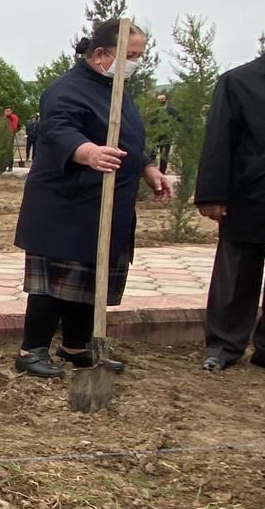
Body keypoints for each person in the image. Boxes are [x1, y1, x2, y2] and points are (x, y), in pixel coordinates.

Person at [13, 19, 172, 378]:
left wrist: (147, 168)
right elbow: (58, 129)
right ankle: (32, 349)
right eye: (130, 55)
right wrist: (86, 152)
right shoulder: (66, 89)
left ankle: (76, 346)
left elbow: (126, 139)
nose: (135, 62)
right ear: (101, 54)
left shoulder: (116, 90)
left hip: (106, 204)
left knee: (90, 279)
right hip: (66, 203)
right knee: (53, 285)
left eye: (139, 55)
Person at [195, 0, 265, 377]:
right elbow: (219, 141)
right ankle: (223, 344)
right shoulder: (241, 81)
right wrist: (212, 194)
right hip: (249, 196)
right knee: (237, 276)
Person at [145, 91, 180, 174]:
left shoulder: (172, 110)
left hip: (166, 136)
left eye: (162, 99)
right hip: (155, 136)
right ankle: (149, 171)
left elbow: (178, 120)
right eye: (159, 99)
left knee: (164, 156)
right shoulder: (153, 110)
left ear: (166, 99)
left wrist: (173, 129)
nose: (161, 101)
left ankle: (162, 173)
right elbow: (149, 121)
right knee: (151, 154)